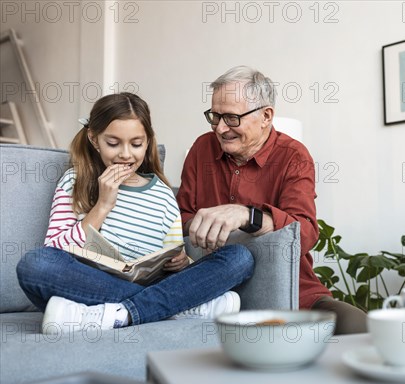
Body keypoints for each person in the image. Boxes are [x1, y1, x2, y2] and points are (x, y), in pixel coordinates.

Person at [17, 92, 254, 334]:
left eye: (136, 144)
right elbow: (54, 249)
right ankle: (173, 310)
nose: (126, 154)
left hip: (153, 282)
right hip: (91, 285)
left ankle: (111, 315)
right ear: (94, 139)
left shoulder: (162, 195)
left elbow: (175, 262)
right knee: (35, 264)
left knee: (239, 258)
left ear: (148, 141)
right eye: (113, 143)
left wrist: (181, 262)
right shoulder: (75, 181)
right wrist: (102, 205)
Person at [177, 66, 367, 334]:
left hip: (293, 292)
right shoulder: (201, 149)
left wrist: (246, 215)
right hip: (212, 290)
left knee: (361, 328)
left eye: (231, 118)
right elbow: (179, 219)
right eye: (214, 116)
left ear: (266, 116)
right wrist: (203, 225)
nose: (220, 128)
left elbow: (306, 233)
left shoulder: (294, 156)